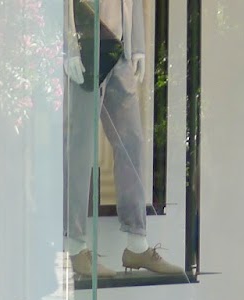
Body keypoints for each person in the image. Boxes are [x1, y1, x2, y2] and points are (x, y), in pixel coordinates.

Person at [62, 0, 181, 279]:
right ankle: (75, 245)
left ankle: (137, 243)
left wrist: (137, 45)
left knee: (132, 143)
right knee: (80, 147)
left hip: (120, 50)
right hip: (87, 42)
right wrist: (68, 45)